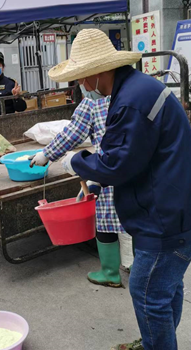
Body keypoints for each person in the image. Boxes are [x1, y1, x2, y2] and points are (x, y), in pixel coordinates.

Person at [49, 29, 191, 350]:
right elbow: (135, 155)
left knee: (148, 290)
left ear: (95, 73)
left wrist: (77, 162)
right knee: (165, 288)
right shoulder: (135, 89)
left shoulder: (131, 101)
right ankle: (155, 345)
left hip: (168, 215)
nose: (79, 86)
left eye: (79, 78)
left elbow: (118, 162)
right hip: (174, 205)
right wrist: (95, 181)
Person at [30, 94, 125, 288]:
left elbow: (72, 133)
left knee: (105, 221)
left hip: (108, 167)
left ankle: (110, 273)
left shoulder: (92, 101)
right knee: (135, 221)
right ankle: (138, 267)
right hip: (131, 167)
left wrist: (46, 154)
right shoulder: (129, 93)